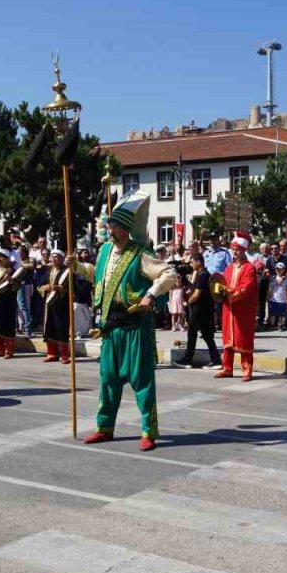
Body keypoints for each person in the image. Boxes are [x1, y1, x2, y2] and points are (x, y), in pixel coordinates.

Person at [70, 191, 177, 451]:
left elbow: (169, 273)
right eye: (110, 225)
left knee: (142, 380)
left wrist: (150, 295)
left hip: (135, 326)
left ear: (125, 228)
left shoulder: (140, 253)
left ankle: (148, 430)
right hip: (111, 326)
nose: (110, 229)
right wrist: (79, 268)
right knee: (108, 378)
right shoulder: (105, 250)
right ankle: (104, 427)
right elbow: (100, 277)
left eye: (114, 225)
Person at [215, 232, 258, 381]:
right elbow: (222, 284)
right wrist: (219, 291)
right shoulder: (229, 268)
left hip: (243, 310)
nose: (235, 251)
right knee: (227, 339)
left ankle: (247, 370)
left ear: (244, 250)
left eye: (238, 249)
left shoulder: (249, 268)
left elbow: (247, 288)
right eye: (233, 249)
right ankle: (227, 368)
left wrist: (232, 294)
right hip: (229, 309)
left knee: (243, 338)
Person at [180, 251, 221, 369]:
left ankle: (188, 359)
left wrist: (188, 302)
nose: (192, 265)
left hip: (199, 309)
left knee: (192, 333)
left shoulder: (203, 275)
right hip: (204, 309)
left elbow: (197, 294)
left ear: (198, 262)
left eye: (193, 262)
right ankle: (215, 360)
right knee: (207, 335)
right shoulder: (202, 274)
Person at [40, 249, 72, 363]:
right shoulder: (48, 271)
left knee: (61, 328)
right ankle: (51, 353)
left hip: (61, 304)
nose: (54, 259)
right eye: (52, 257)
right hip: (49, 303)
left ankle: (64, 355)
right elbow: (40, 285)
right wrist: (46, 288)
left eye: (56, 257)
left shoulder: (67, 271)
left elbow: (73, 288)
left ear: (62, 259)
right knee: (49, 327)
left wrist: (61, 289)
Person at [268, 262, 287, 330]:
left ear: (284, 270)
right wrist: (268, 296)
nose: (278, 270)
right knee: (272, 313)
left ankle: (280, 325)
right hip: (273, 299)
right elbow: (269, 288)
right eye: (277, 269)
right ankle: (272, 325)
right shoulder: (273, 278)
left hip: (282, 299)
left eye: (280, 269)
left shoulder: (286, 279)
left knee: (281, 314)